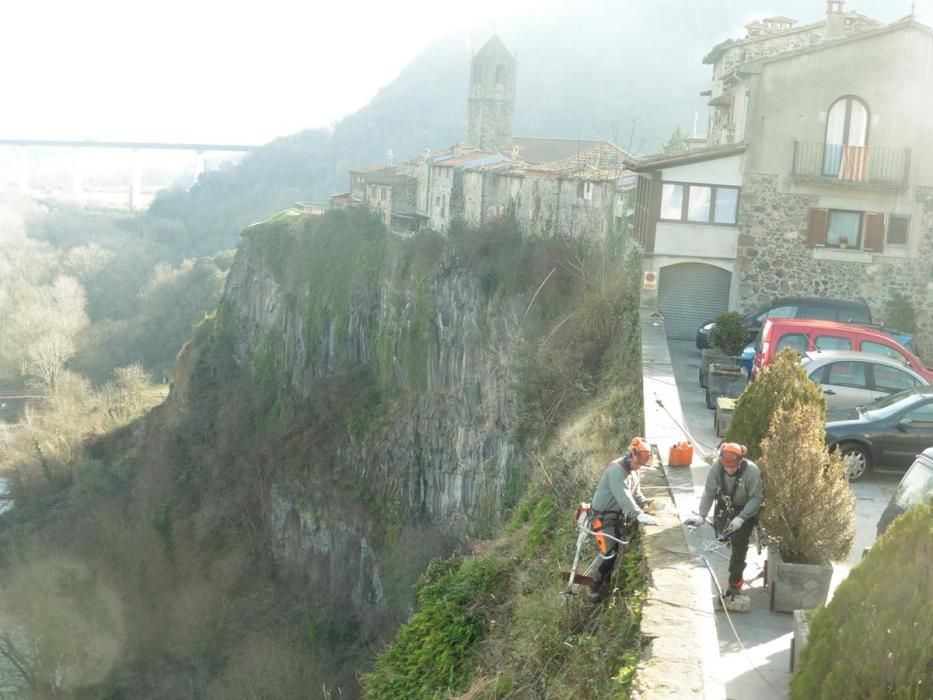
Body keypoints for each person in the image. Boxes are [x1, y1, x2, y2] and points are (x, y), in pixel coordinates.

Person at [685, 442, 763, 597]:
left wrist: (741, 518)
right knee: (722, 533)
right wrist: (702, 515)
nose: (729, 470)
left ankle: (735, 583)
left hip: (745, 508)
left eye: (732, 467)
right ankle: (728, 540)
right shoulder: (717, 468)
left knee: (739, 545)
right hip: (726, 504)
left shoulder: (752, 472)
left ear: (740, 461)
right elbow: (709, 491)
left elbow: (756, 498)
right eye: (726, 467)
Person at [587, 437, 658, 603]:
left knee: (614, 551)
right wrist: (638, 514)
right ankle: (592, 582)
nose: (638, 467)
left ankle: (604, 580)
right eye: (638, 464)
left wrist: (646, 503)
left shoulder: (634, 470)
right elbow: (624, 497)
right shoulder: (616, 472)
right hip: (602, 519)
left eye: (641, 466)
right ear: (632, 455)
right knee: (608, 552)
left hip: (616, 518)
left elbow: (635, 493)